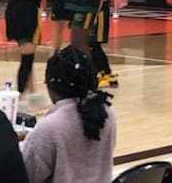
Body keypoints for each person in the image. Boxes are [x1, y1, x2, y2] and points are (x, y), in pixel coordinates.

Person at [20, 47, 115, 183]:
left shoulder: (49, 128)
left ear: (51, 87)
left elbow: (27, 175)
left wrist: (25, 143)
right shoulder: (108, 113)